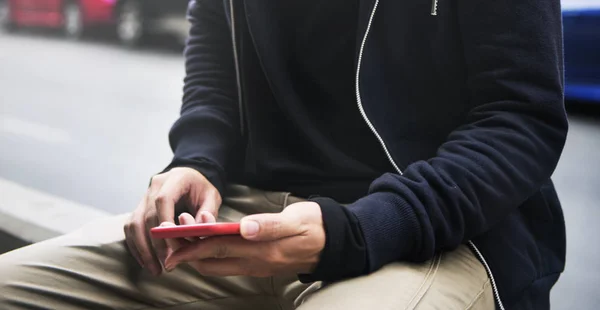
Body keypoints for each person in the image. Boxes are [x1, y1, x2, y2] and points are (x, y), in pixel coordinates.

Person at [0, 0, 568, 309]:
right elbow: (215, 72)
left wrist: (357, 231)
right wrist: (195, 161)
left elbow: (519, 120)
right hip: (251, 218)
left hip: (433, 233)